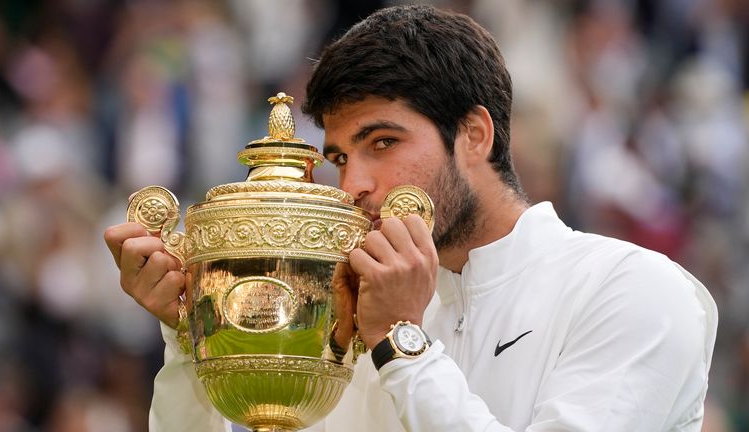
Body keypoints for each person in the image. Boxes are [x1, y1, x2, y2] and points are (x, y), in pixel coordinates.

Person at [104, 5, 717, 431]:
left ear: (474, 135)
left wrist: (401, 343)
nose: (353, 186)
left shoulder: (635, 288)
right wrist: (192, 336)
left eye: (383, 143)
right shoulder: (346, 316)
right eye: (341, 157)